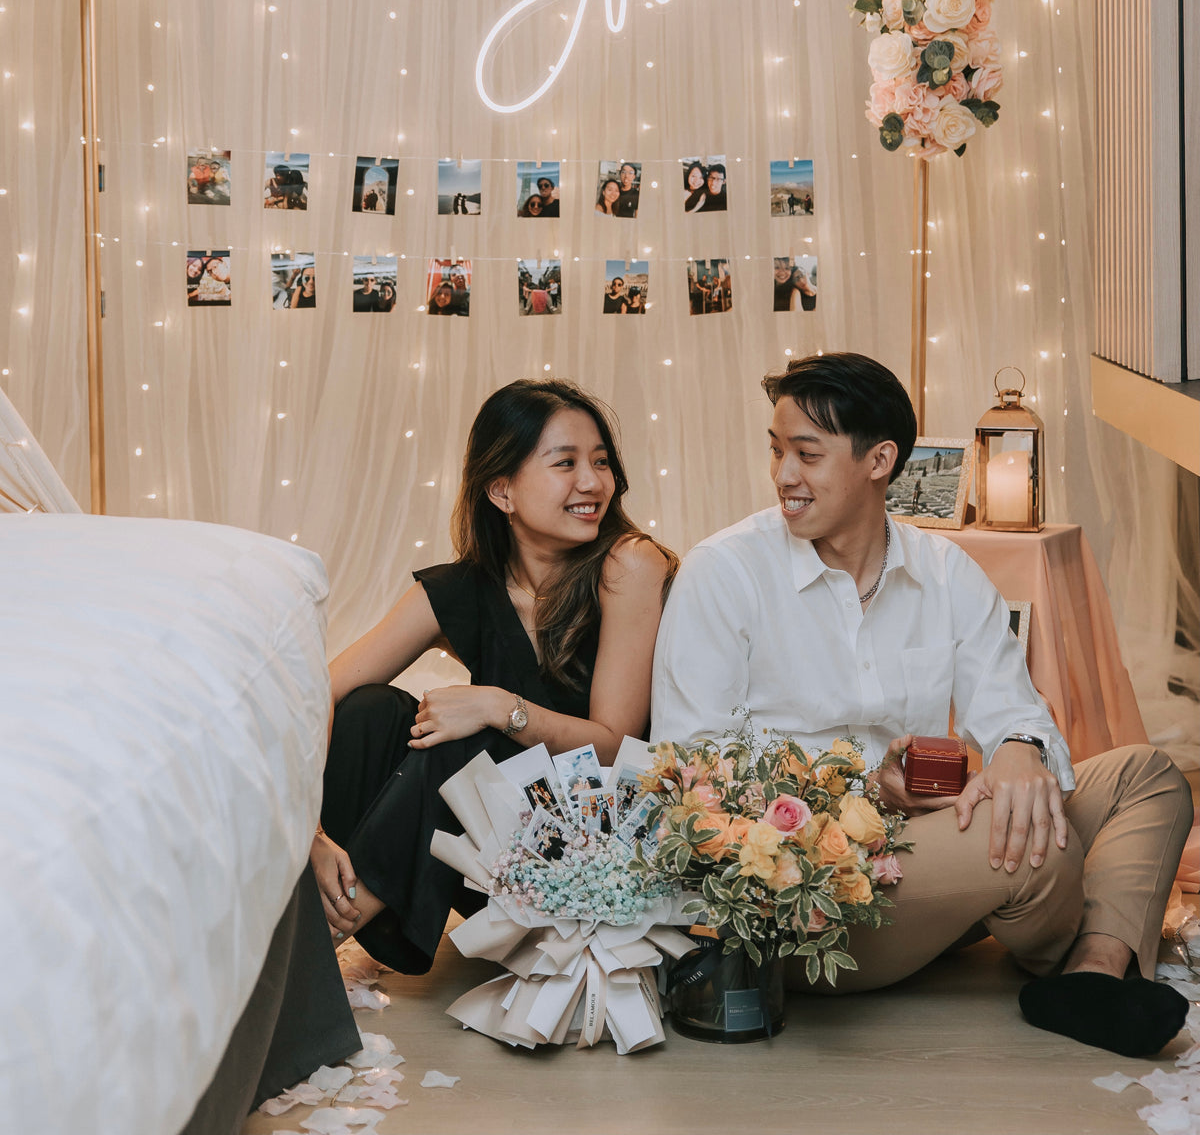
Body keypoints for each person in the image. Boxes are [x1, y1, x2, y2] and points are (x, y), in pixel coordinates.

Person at [651, 352, 1193, 1059]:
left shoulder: (943, 572)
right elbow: (693, 769)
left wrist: (1023, 752)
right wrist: (861, 783)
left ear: (879, 461)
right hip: (805, 890)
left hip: (924, 855)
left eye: (807, 454)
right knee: (1025, 843)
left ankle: (1089, 976)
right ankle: (1082, 933)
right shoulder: (722, 573)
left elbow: (1013, 708)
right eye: (777, 450)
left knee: (1145, 775)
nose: (784, 475)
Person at [311, 378, 676, 973]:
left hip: (594, 845)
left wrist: (501, 708)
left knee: (473, 731)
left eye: (601, 462)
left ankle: (340, 920)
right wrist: (313, 834)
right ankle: (344, 894)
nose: (592, 482)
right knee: (369, 710)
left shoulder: (628, 564)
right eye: (566, 463)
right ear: (502, 490)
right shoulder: (460, 587)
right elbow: (316, 694)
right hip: (486, 860)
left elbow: (615, 747)